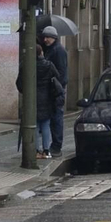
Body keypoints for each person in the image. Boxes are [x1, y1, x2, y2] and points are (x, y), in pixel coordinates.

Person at [17, 48, 62, 159]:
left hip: (32, 99)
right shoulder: (49, 65)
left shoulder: (26, 65)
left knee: (35, 125)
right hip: (47, 99)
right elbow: (57, 77)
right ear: (41, 53)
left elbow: (19, 83)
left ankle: (36, 150)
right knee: (46, 124)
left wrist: (26, 91)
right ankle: (46, 150)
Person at [40, 25, 69, 154]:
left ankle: (56, 146)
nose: (45, 39)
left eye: (48, 37)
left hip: (56, 90)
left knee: (56, 118)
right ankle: (53, 145)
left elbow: (61, 73)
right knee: (53, 118)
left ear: (54, 38)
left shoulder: (58, 50)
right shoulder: (51, 49)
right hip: (52, 89)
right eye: (44, 37)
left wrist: (57, 87)